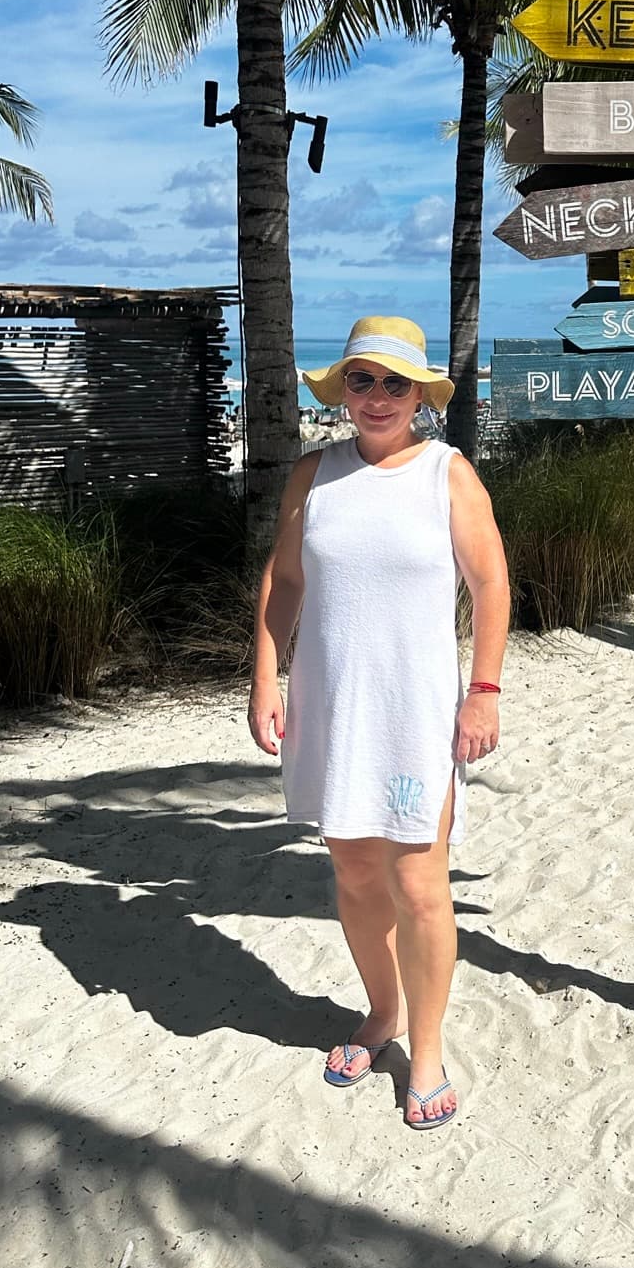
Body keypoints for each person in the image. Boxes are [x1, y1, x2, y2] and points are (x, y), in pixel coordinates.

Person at [248, 316, 510, 1131]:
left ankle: (424, 1049)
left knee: (420, 886)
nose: (377, 397)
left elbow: (492, 585)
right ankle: (382, 1012)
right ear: (344, 391)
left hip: (415, 711)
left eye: (396, 383)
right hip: (330, 706)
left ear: (420, 396)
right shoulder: (312, 474)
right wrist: (265, 676)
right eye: (362, 380)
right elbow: (283, 580)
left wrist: (485, 690)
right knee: (356, 873)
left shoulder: (448, 473)